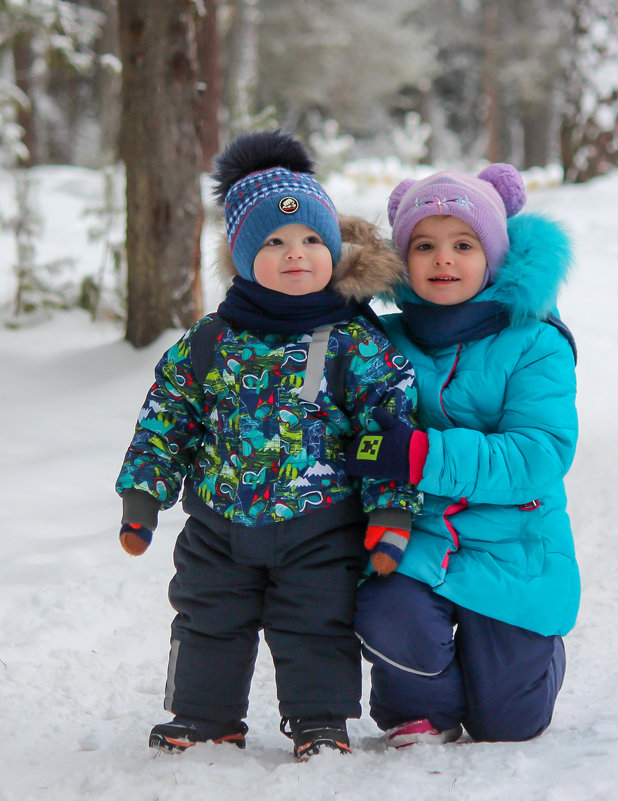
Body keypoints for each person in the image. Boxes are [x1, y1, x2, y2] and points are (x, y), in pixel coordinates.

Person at [115, 130, 421, 760]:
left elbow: (386, 428)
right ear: (243, 254)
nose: (295, 254)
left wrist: (390, 510)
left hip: (319, 524)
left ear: (334, 251)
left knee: (315, 624)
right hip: (217, 523)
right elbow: (168, 415)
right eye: (274, 243)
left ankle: (319, 721)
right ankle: (204, 715)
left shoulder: (351, 344)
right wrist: (142, 495)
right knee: (205, 618)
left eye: (312, 240)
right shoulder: (209, 340)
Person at [343, 164, 580, 748]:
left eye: (463, 244)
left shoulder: (535, 340)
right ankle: (424, 705)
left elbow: (539, 453)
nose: (442, 259)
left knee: (508, 725)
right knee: (389, 611)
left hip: (512, 542)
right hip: (416, 535)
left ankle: (522, 665)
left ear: (494, 256)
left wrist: (419, 453)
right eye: (424, 245)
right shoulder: (381, 340)